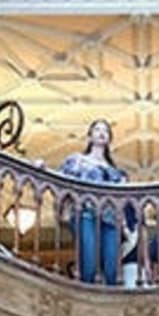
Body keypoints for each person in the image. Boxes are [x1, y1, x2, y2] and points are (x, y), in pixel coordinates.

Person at [58, 118, 129, 286]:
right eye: (97, 129)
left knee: (111, 268)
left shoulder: (117, 173)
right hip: (85, 213)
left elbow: (122, 201)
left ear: (109, 139)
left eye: (106, 130)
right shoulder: (77, 161)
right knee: (88, 262)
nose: (102, 132)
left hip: (111, 219)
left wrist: (125, 226)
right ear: (89, 137)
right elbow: (59, 180)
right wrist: (41, 167)